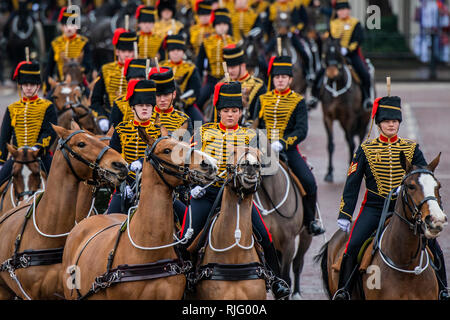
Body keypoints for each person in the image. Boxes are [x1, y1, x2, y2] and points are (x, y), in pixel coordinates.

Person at [177, 81, 291, 300]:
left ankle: (276, 280)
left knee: (266, 238)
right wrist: (194, 186)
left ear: (241, 112)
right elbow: (188, 163)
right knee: (186, 238)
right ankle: (184, 281)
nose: (230, 115)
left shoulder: (251, 135)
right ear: (219, 112)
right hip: (208, 195)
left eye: (235, 111)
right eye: (226, 111)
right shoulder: (203, 132)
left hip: (241, 198)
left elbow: (264, 167)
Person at [333, 95, 449, 300]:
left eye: (394, 121)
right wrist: (345, 213)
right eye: (387, 121)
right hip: (374, 208)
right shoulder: (366, 149)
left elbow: (424, 174)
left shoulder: (411, 148)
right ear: (379, 124)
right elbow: (352, 183)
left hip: (406, 208)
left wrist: (405, 187)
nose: (391, 124)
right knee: (352, 247)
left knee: (434, 247)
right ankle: (344, 291)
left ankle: (443, 290)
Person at [254, 55, 325, 236]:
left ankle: (310, 221)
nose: (280, 80)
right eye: (277, 77)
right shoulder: (262, 99)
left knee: (309, 183)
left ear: (290, 80)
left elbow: (301, 131)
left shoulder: (298, 101)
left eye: (283, 77)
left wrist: (283, 144)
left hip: (287, 150)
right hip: (262, 149)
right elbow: (255, 124)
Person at [107, 79, 160, 214]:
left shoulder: (159, 131)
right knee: (109, 217)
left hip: (154, 184)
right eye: (140, 105)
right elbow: (112, 160)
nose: (144, 108)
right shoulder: (121, 129)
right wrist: (121, 185)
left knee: (182, 213)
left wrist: (142, 162)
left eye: (148, 105)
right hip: (126, 184)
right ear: (132, 108)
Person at [0, 61, 57, 185]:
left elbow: (50, 132)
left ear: (38, 86)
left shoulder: (48, 106)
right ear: (21, 86)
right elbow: (4, 137)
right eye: (25, 84)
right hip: (17, 156)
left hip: (40, 155)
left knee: (59, 183)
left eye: (32, 84)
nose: (29, 87)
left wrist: (37, 147)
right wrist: (1, 160)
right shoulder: (12, 108)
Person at [308, 0, 372, 110]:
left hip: (350, 54)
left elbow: (358, 39)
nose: (341, 12)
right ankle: (314, 96)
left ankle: (367, 98)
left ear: (348, 10)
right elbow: (329, 39)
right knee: (320, 73)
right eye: (339, 10)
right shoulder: (333, 24)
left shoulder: (355, 22)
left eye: (343, 10)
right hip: (335, 56)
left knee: (364, 74)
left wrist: (348, 49)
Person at [90, 28, 137, 133]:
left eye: (130, 51)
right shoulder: (106, 69)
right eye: (123, 51)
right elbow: (96, 100)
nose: (127, 55)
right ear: (117, 52)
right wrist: (101, 117)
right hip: (109, 118)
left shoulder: (142, 70)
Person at [43, 6, 93, 95]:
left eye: (72, 25)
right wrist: (46, 86)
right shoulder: (55, 43)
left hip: (79, 83)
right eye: (66, 25)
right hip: (60, 83)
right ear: (62, 27)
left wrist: (80, 71)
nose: (69, 29)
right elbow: (49, 68)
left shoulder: (84, 42)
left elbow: (88, 64)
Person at [160, 34, 205, 123]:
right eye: (173, 50)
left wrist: (184, 102)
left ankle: (198, 137)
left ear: (183, 52)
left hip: (184, 104)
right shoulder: (161, 66)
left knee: (199, 122)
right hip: (163, 104)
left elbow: (195, 90)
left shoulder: (191, 68)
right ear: (168, 52)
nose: (176, 52)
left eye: (178, 50)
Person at [196, 7, 235, 110]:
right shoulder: (206, 42)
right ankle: (197, 125)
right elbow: (199, 64)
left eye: (224, 25)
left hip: (227, 80)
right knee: (198, 102)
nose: (221, 27)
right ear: (214, 26)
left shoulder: (233, 42)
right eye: (219, 25)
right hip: (211, 80)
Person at [221, 44, 266, 125]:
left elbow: (259, 118)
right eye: (228, 68)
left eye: (233, 67)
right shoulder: (222, 84)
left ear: (243, 66)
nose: (229, 71)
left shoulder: (259, 86)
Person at [148, 66, 193, 136]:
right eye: (158, 95)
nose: (162, 100)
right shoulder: (145, 118)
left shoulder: (184, 120)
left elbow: (188, 145)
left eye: (166, 95)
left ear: (174, 94)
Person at [109, 58, 148, 128]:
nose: (137, 81)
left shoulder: (154, 101)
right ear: (128, 81)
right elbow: (113, 129)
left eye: (141, 78)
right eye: (134, 78)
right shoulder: (119, 103)